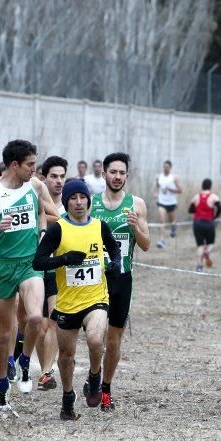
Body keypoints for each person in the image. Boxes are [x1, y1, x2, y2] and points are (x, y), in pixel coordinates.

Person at [0, 139, 60, 410]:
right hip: (2, 266)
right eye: (30, 164)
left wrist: (43, 232)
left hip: (30, 262)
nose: (35, 169)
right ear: (14, 165)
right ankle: (2, 387)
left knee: (34, 317)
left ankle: (24, 362)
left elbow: (43, 214)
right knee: (4, 335)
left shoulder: (34, 186)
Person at [33, 179, 121, 420]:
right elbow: (38, 262)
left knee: (95, 340)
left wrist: (115, 264)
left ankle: (94, 377)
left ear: (88, 201)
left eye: (83, 197)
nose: (79, 202)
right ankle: (68, 398)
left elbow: (114, 249)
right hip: (68, 303)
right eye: (73, 198)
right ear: (67, 202)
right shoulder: (58, 229)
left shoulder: (100, 226)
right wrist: (64, 259)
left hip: (96, 298)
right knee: (66, 356)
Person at [89, 152, 150, 412]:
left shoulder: (136, 204)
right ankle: (93, 374)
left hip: (122, 280)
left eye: (121, 173)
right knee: (95, 337)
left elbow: (146, 245)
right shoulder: (90, 204)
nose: (117, 177)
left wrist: (136, 228)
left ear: (127, 175)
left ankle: (105, 389)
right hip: (94, 280)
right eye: (112, 172)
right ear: (104, 174)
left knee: (113, 342)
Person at [33, 155, 68, 391]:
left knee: (54, 323)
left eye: (62, 176)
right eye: (53, 176)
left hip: (59, 271)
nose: (58, 181)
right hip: (34, 269)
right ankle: (41, 364)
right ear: (42, 178)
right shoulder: (34, 200)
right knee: (38, 325)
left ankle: (46, 372)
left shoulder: (74, 203)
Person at [189, 178, 221, 272]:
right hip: (209, 223)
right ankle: (207, 252)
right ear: (210, 186)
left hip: (197, 223)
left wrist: (198, 211)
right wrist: (215, 217)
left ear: (202, 186)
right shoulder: (214, 197)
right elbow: (219, 208)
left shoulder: (196, 197)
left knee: (200, 245)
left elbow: (190, 210)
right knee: (210, 243)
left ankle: (199, 266)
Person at [153, 160, 182, 249]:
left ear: (170, 168)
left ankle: (173, 228)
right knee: (162, 221)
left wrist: (171, 190)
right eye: (164, 167)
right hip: (161, 202)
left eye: (167, 167)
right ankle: (162, 241)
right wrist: (155, 194)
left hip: (171, 203)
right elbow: (157, 186)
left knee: (172, 221)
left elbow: (180, 190)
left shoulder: (174, 178)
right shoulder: (159, 177)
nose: (165, 169)